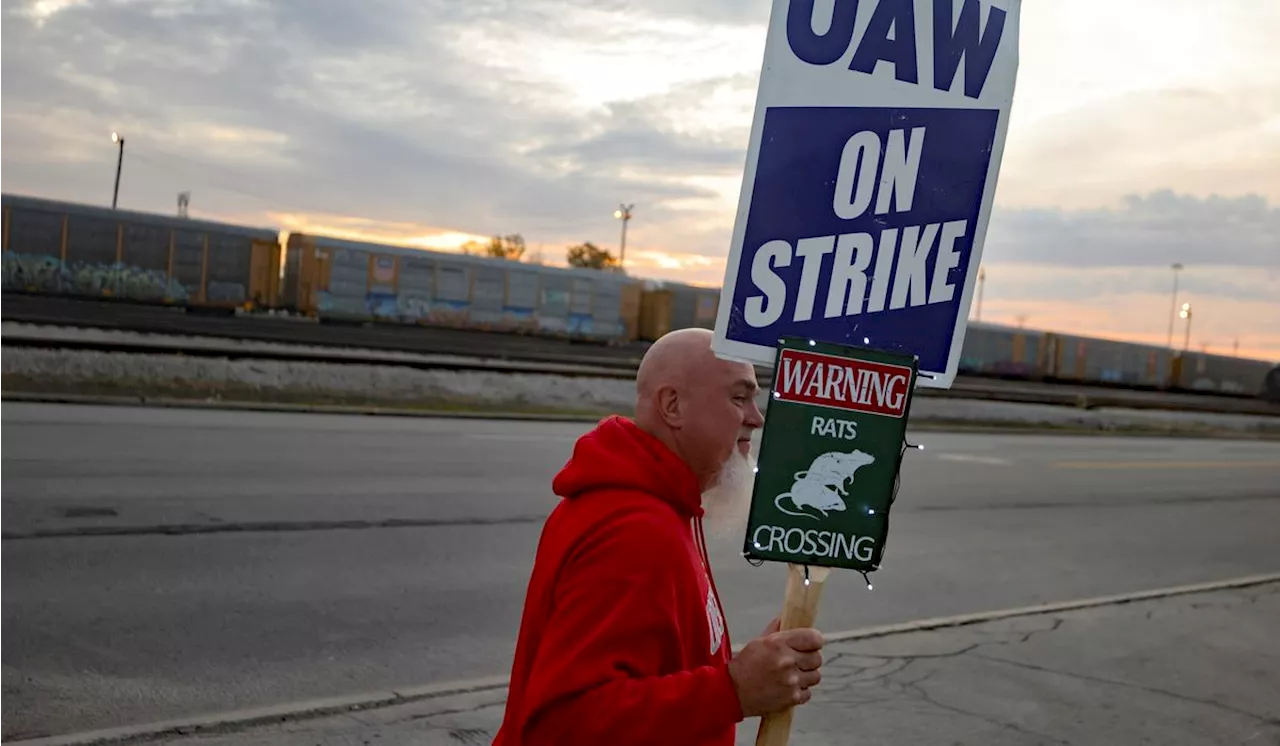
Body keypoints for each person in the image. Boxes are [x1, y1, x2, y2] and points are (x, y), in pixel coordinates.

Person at [492, 328, 825, 746]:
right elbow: (565, 721)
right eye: (739, 398)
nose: (756, 417)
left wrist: (752, 669)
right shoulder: (634, 531)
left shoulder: (663, 506)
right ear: (673, 406)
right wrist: (733, 689)